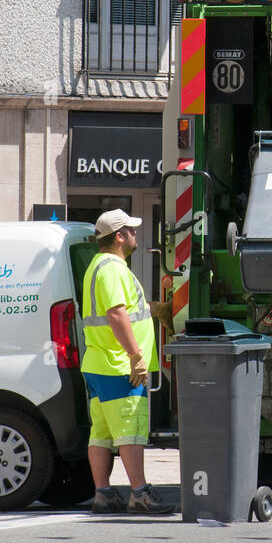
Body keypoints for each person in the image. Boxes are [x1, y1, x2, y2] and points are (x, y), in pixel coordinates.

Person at [81, 209, 175, 513]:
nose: (136, 234)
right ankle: (140, 493)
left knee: (102, 433)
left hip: (99, 363)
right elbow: (116, 314)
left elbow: (126, 309)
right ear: (119, 236)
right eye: (131, 231)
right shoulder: (112, 267)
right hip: (119, 366)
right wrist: (136, 357)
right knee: (131, 430)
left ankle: (104, 494)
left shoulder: (100, 265)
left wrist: (154, 308)